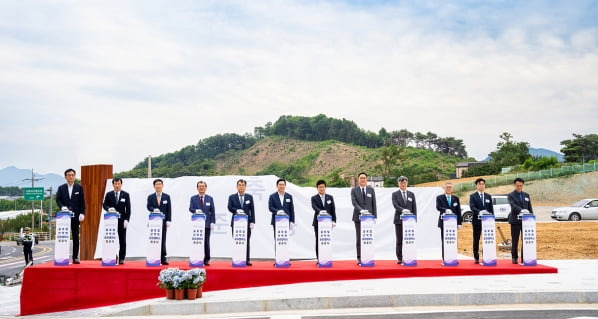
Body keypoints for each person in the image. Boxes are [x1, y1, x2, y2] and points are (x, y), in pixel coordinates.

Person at [56, 168, 86, 264]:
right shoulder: (61, 188)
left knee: (75, 236)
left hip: (75, 216)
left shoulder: (79, 187)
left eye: (72, 175)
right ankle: (62, 256)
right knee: (63, 236)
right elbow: (58, 199)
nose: (71, 176)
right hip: (64, 216)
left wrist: (82, 213)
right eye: (69, 175)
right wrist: (62, 207)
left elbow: (82, 202)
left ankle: (75, 257)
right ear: (65, 177)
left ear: (75, 176)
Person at [102, 178, 131, 265]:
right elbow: (104, 204)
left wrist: (126, 220)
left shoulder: (125, 195)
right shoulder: (109, 194)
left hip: (122, 221)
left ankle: (121, 258)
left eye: (118, 183)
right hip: (111, 221)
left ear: (121, 184)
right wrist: (108, 208)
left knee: (122, 240)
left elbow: (128, 209)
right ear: (113, 185)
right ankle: (113, 256)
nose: (117, 185)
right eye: (115, 184)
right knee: (111, 239)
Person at [350, 172, 377, 265]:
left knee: (368, 237)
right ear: (358, 179)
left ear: (367, 179)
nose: (362, 179)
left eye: (364, 178)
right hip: (358, 217)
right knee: (359, 238)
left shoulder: (371, 190)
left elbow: (374, 203)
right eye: (361, 178)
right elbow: (354, 202)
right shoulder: (354, 190)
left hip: (369, 218)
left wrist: (375, 216)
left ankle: (368, 256)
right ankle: (360, 257)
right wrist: (361, 210)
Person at [227, 179, 255, 266]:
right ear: (237, 186)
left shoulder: (249, 197)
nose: (241, 186)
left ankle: (246, 260)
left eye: (243, 185)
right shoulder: (232, 197)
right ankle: (237, 258)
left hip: (247, 223)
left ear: (245, 187)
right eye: (239, 185)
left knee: (246, 241)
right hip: (236, 223)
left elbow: (252, 210)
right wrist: (237, 210)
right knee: (237, 241)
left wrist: (252, 221)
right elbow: (229, 207)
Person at [189, 181, 216, 266]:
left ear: (206, 188)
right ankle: (197, 258)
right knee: (197, 241)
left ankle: (206, 259)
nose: (201, 188)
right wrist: (195, 210)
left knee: (206, 242)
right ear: (197, 188)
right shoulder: (193, 198)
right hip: (197, 224)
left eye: (203, 186)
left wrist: (212, 222)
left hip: (207, 224)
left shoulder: (210, 198)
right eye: (200, 186)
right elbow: (190, 208)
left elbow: (213, 211)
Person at [507, 177, 534, 264]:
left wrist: (531, 217)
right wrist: (521, 210)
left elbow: (529, 207)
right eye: (517, 186)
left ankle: (524, 257)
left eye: (521, 186)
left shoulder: (526, 195)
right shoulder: (511, 195)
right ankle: (514, 257)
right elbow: (513, 205)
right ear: (514, 185)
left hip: (526, 221)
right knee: (515, 239)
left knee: (525, 239)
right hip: (515, 220)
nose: (519, 187)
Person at [391, 176, 417, 264]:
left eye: (405, 182)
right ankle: (399, 258)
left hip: (409, 221)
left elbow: (414, 207)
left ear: (407, 183)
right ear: (398, 183)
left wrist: (414, 218)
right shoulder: (395, 194)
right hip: (399, 220)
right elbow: (395, 205)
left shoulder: (411, 194)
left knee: (409, 239)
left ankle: (409, 256)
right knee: (399, 240)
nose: (403, 184)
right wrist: (402, 210)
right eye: (401, 182)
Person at [146, 179, 172, 265]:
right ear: (154, 186)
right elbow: (148, 207)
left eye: (160, 184)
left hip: (164, 221)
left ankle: (163, 258)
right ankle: (153, 256)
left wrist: (168, 220)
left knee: (163, 239)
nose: (158, 186)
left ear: (162, 185)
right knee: (154, 239)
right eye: (156, 184)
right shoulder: (150, 197)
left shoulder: (166, 197)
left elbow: (169, 209)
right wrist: (154, 209)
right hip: (154, 222)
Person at [469, 178, 494, 264]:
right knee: (476, 239)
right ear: (476, 185)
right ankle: (476, 257)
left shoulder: (488, 196)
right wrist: (479, 212)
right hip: (477, 221)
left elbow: (491, 209)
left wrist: (492, 219)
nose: (481, 185)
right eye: (480, 184)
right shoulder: (473, 196)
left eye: (483, 184)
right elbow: (472, 207)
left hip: (487, 222)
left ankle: (486, 256)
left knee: (486, 239)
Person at [435, 182, 462, 262]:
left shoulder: (455, 198)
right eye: (447, 187)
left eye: (450, 187)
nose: (449, 189)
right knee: (445, 240)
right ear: (444, 188)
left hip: (453, 223)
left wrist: (459, 223)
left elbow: (458, 211)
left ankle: (453, 257)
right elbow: (438, 207)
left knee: (453, 240)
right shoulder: (439, 197)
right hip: (444, 222)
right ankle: (445, 258)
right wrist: (445, 210)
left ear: (452, 189)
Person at [310, 180, 336, 261]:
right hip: (318, 223)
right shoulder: (314, 198)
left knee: (326, 240)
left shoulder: (330, 197)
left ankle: (327, 257)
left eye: (323, 187)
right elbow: (314, 207)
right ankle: (319, 259)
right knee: (318, 240)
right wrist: (320, 211)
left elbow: (333, 209)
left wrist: (334, 220)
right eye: (320, 187)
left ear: (325, 187)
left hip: (328, 223)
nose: (322, 188)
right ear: (317, 188)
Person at [268, 178, 296, 255]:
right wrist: (277, 211)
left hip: (286, 222)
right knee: (277, 240)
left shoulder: (289, 196)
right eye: (280, 184)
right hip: (276, 221)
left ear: (285, 186)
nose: (281, 186)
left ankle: (285, 258)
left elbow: (291, 209)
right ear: (277, 186)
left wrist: (292, 221)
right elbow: (270, 207)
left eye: (283, 184)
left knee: (285, 240)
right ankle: (278, 258)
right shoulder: (272, 196)